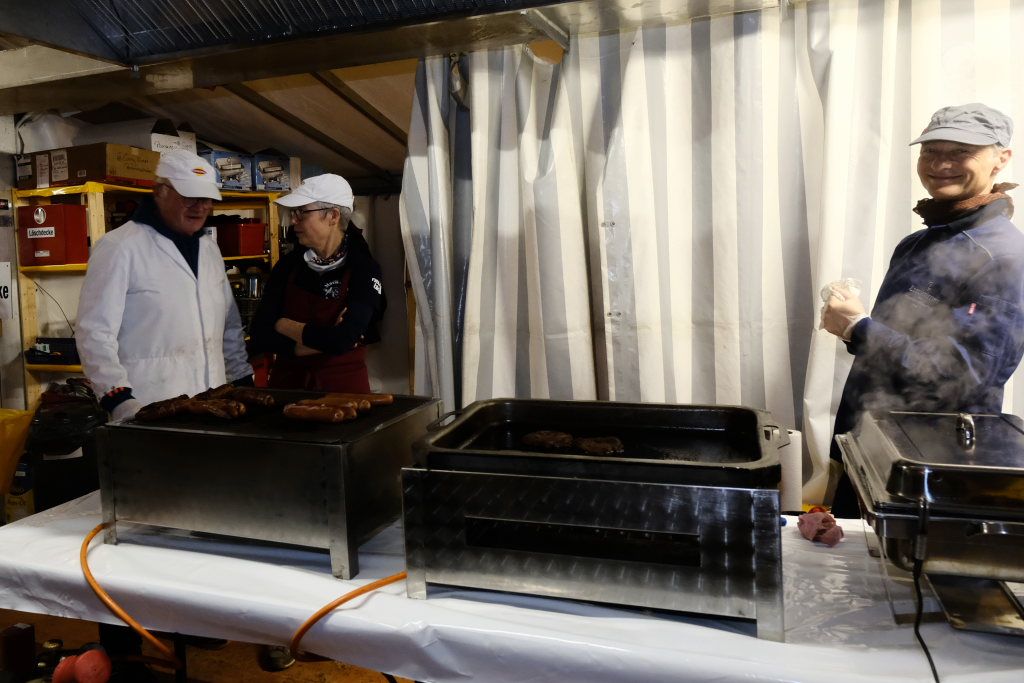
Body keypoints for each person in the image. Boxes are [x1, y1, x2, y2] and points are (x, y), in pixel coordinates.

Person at [822, 103, 1024, 518]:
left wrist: (858, 327)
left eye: (961, 152)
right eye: (931, 151)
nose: (940, 164)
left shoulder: (1003, 257)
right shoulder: (918, 243)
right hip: (874, 447)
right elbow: (894, 354)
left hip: (932, 468)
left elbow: (962, 376)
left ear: (1001, 158)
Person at [77, 149, 254, 422]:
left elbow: (229, 326)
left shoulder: (209, 250)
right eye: (189, 197)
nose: (200, 207)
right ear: (160, 191)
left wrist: (241, 379)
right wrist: (118, 398)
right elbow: (94, 332)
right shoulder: (120, 247)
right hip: (150, 406)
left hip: (214, 405)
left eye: (206, 198)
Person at [248, 173, 385, 393]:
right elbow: (260, 335)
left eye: (302, 212)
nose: (294, 220)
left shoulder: (363, 268)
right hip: (287, 391)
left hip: (344, 394)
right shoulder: (287, 266)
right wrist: (322, 338)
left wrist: (284, 325)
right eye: (293, 213)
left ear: (333, 216)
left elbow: (343, 339)